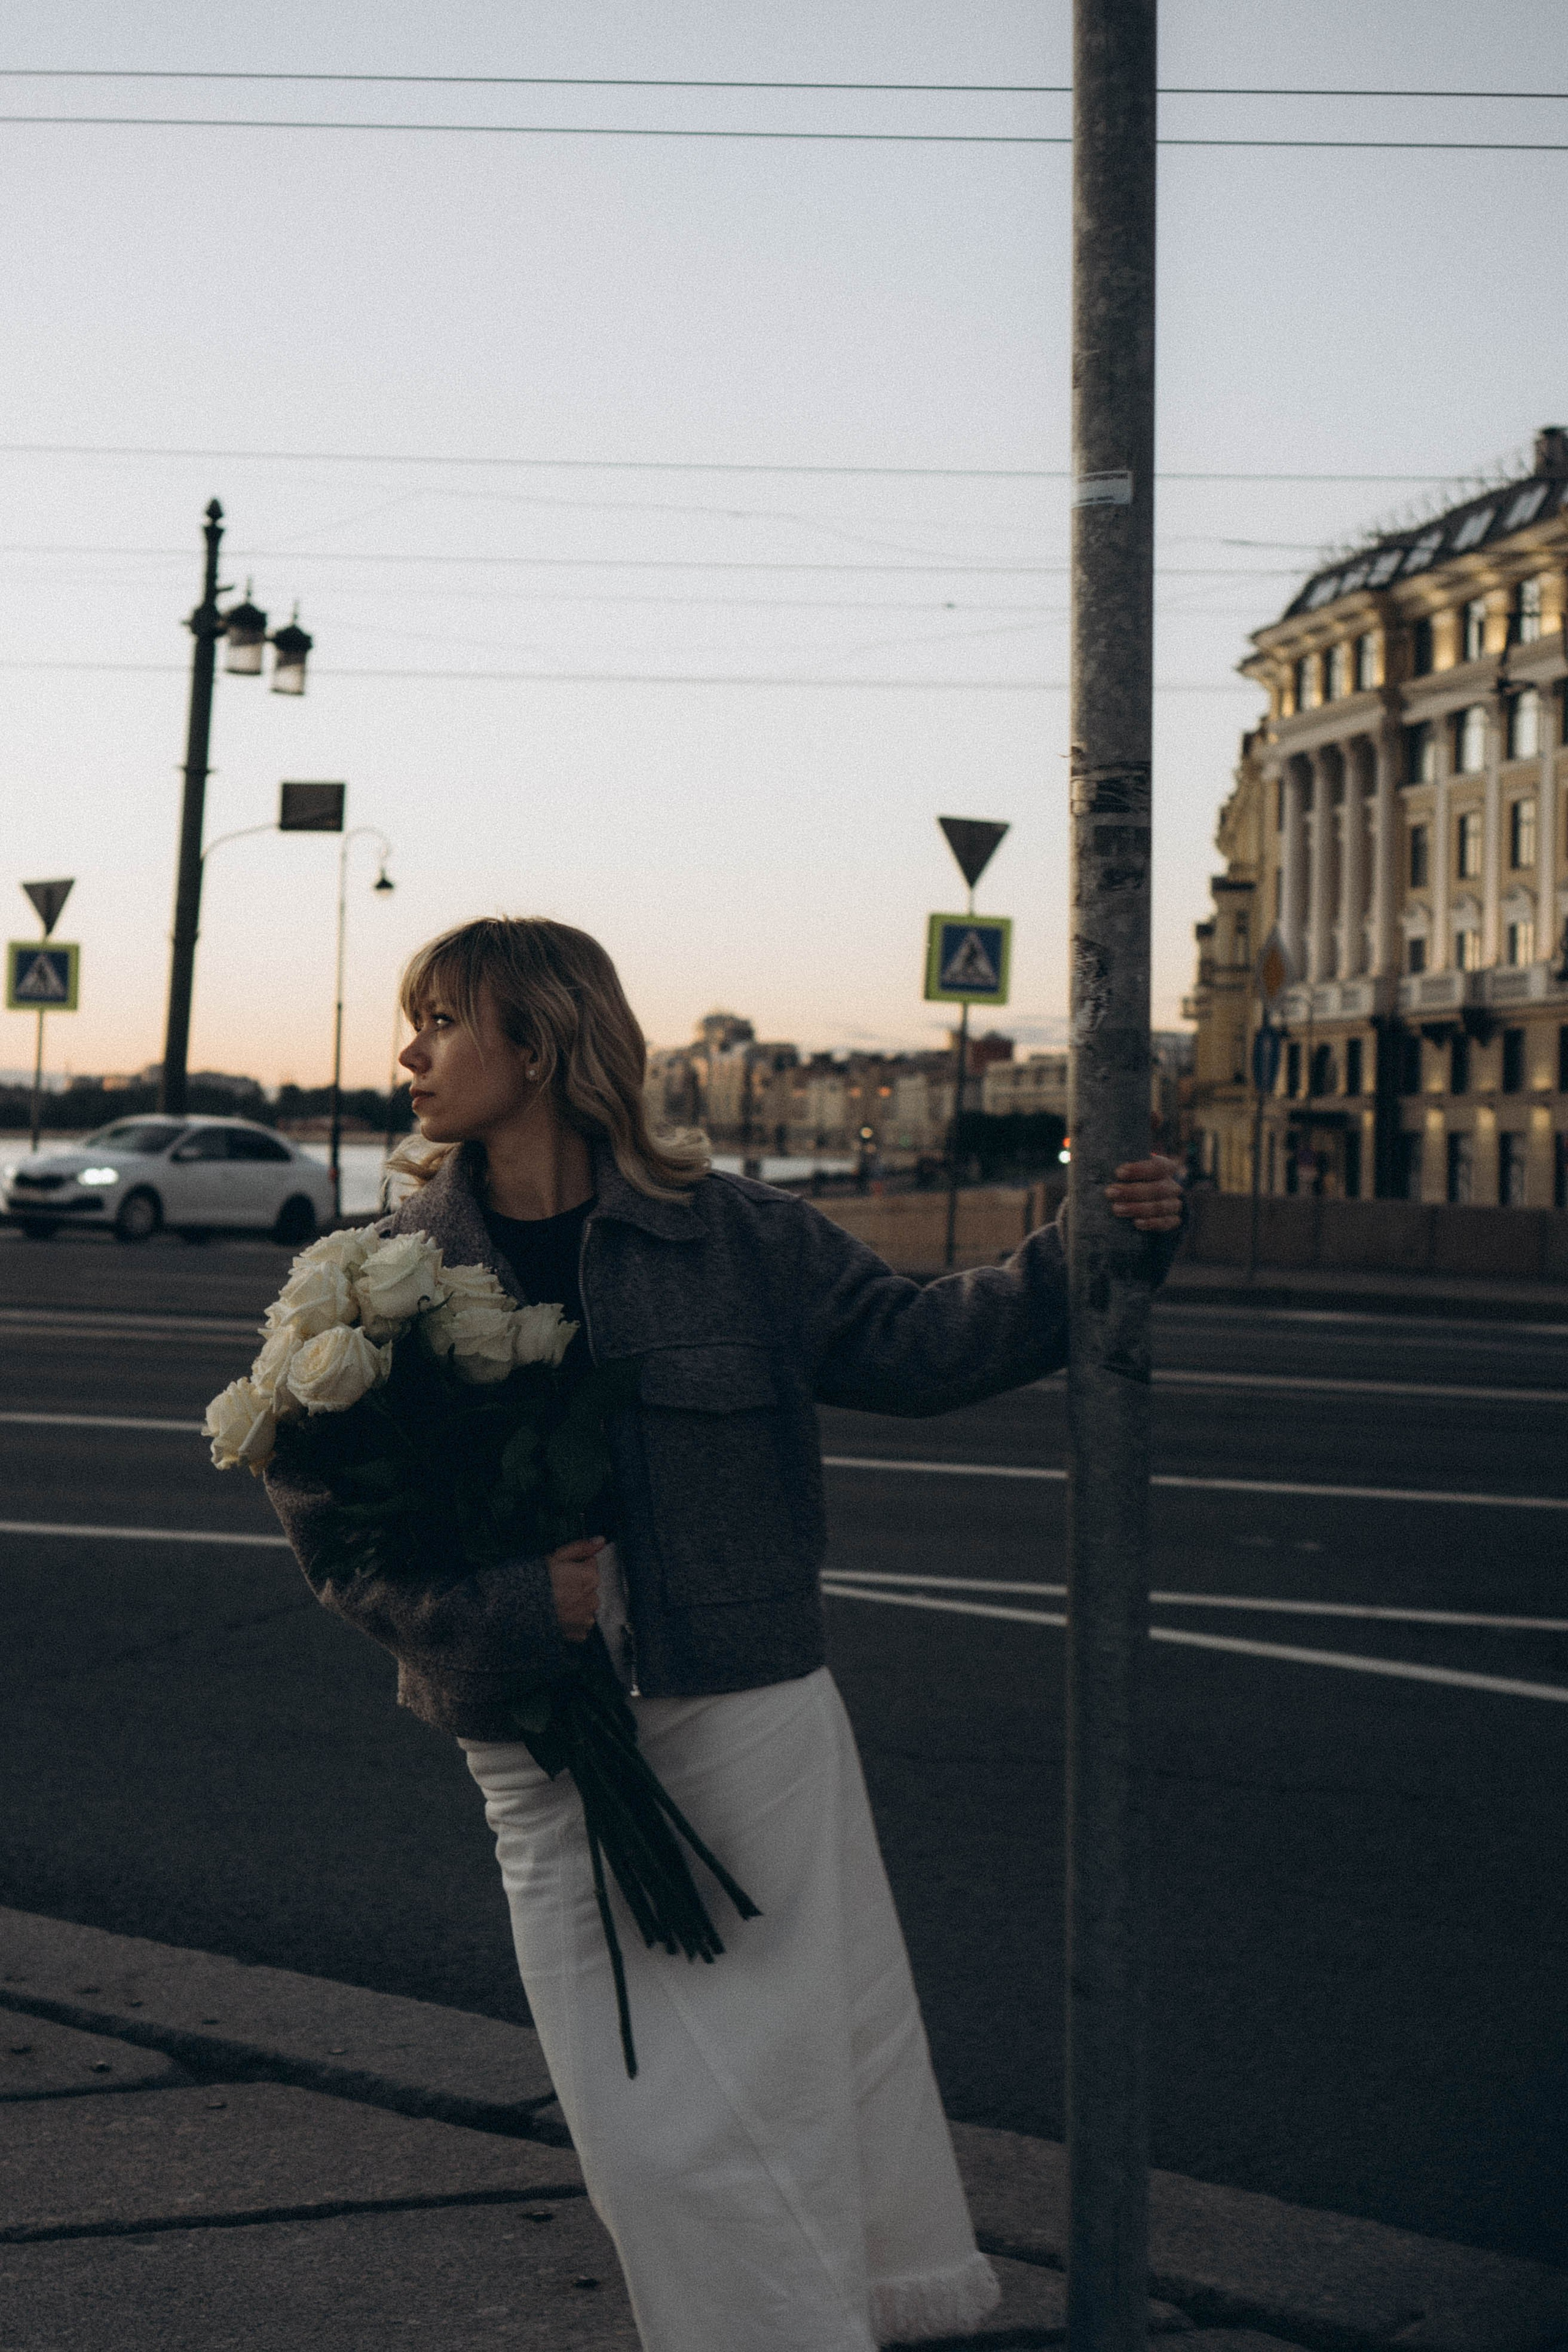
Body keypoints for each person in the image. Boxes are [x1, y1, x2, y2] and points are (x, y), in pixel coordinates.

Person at [264, 916, 1183, 2352]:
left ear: (543, 1041)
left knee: (795, 2085)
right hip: (532, 1742)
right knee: (639, 2126)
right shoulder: (377, 1277)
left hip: (742, 1712)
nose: (410, 1051)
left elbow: (921, 1346)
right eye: (415, 1019)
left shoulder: (734, 1235)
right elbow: (341, 1532)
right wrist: (513, 1612)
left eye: (443, 1018)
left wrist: (1097, 1248)